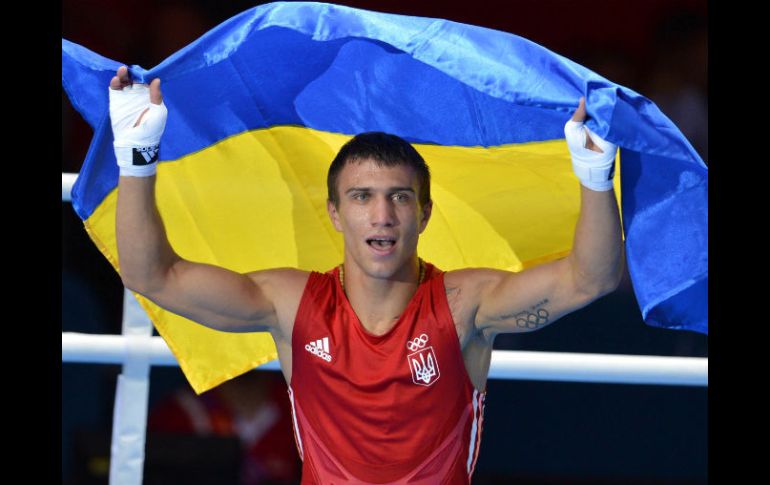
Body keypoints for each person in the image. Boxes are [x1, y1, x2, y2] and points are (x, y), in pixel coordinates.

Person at [110, 64, 624, 484]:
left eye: (399, 197)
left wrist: (596, 178)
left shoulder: (467, 304)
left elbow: (590, 279)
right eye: (362, 197)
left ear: (423, 214)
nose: (382, 216)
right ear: (335, 213)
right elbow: (152, 276)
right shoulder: (291, 305)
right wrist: (136, 160)